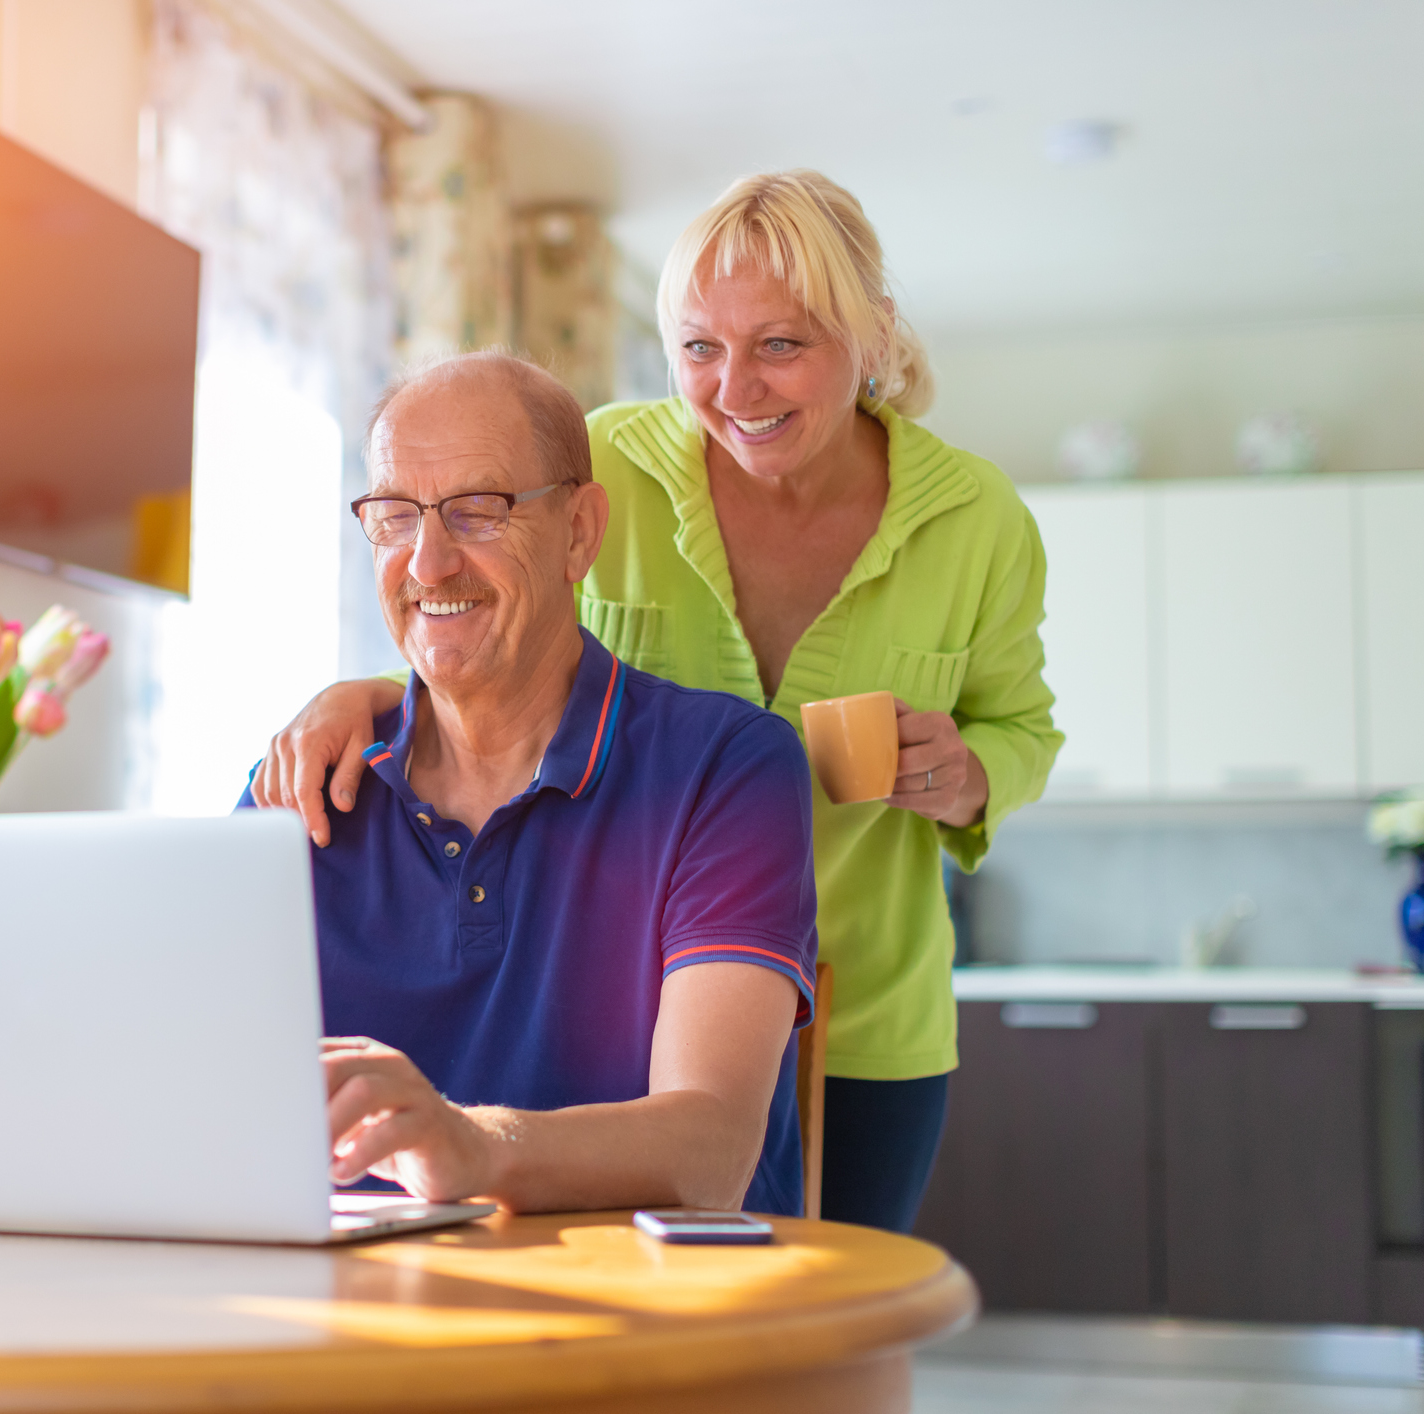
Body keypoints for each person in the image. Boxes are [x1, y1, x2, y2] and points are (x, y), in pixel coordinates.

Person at [254, 172, 1062, 1233]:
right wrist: (362, 695)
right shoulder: (617, 469)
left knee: (830, 1334)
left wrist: (970, 774)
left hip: (863, 1007)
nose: (737, 388)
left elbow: (1024, 726)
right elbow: (483, 613)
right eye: (698, 348)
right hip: (631, 994)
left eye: (782, 344)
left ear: (872, 336)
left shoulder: (976, 520)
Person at [242, 351, 818, 1214]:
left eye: (478, 512)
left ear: (580, 533)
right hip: (342, 1318)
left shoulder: (727, 768)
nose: (428, 563)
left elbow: (712, 1149)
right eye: (396, 516)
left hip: (646, 1323)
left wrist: (470, 1146)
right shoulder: (301, 785)